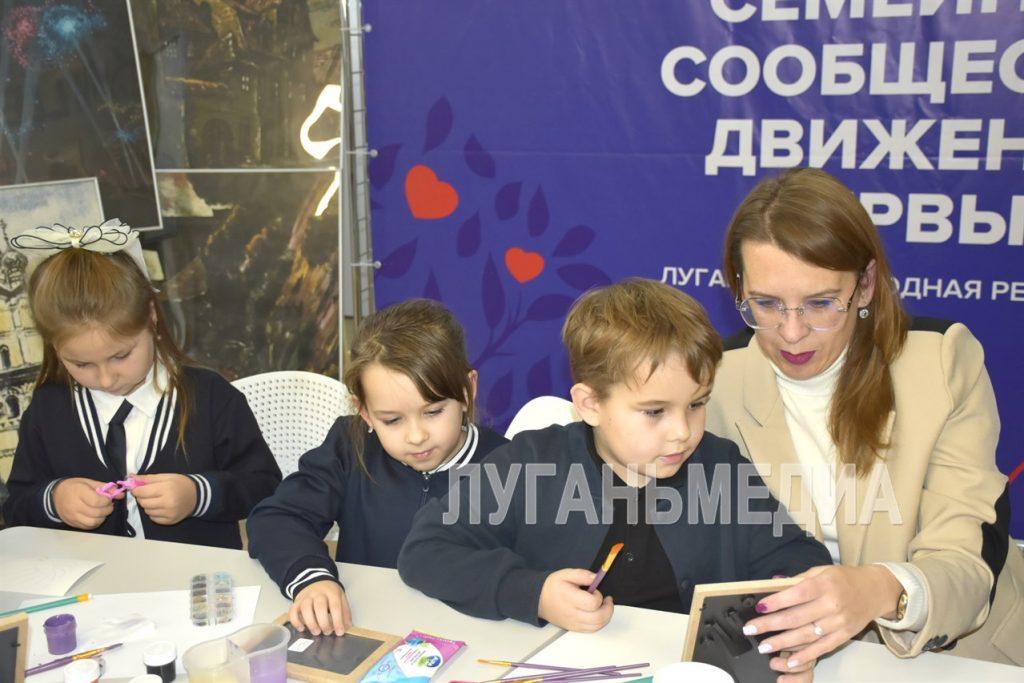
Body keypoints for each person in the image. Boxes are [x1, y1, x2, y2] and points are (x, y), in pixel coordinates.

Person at [399, 279, 831, 682]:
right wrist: (534, 593)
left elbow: (798, 560)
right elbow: (426, 550)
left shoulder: (721, 468)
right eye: (655, 411)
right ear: (590, 404)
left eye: (696, 404)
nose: (682, 431)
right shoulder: (530, 464)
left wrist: (791, 630)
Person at [708, 167, 1024, 668]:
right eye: (766, 304)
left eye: (821, 303)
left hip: (957, 654)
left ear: (866, 285)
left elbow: (965, 557)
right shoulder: (714, 382)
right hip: (793, 658)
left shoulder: (940, 363)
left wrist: (877, 589)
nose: (792, 333)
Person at [2, 220, 281, 548]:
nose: (106, 379)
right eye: (81, 364)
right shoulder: (49, 408)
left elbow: (264, 485)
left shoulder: (211, 397)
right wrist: (54, 500)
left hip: (195, 573)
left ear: (151, 315)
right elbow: (17, 506)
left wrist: (197, 494)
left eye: (121, 356)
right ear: (54, 347)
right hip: (93, 575)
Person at [246, 299, 508, 637]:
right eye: (392, 420)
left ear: (466, 391)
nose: (417, 436)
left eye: (433, 412)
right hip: (365, 631)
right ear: (365, 412)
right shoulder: (349, 446)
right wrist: (313, 578)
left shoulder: (507, 464)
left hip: (469, 638)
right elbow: (277, 519)